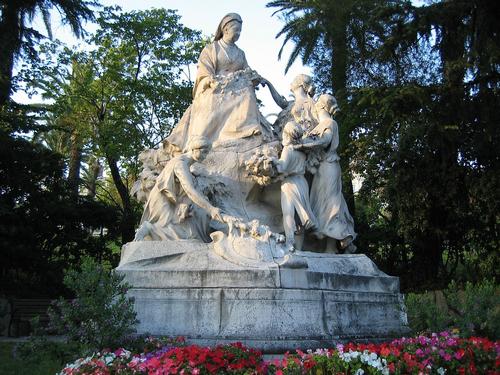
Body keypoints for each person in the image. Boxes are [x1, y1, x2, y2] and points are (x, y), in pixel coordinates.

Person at [166, 13, 273, 151]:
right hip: (215, 86)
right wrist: (209, 80)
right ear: (226, 29)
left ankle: (244, 131)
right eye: (236, 30)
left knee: (248, 94)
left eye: (240, 31)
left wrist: (254, 77)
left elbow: (247, 70)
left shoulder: (240, 53)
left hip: (237, 87)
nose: (239, 34)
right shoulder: (211, 49)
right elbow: (204, 70)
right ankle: (203, 140)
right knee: (211, 99)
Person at [295, 94, 356, 253]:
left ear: (320, 106)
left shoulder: (329, 123)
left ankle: (335, 243)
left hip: (329, 167)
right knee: (323, 205)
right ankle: (330, 247)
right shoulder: (320, 125)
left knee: (331, 206)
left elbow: (326, 140)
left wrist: (305, 144)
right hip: (321, 170)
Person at [134, 136, 223, 242]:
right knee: (168, 230)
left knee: (186, 231)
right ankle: (148, 229)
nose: (205, 156)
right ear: (194, 149)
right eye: (204, 152)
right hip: (163, 199)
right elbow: (189, 190)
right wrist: (211, 209)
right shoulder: (181, 164)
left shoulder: (186, 164)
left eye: (207, 153)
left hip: (169, 199)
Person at [275, 120, 317, 251]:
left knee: (289, 214)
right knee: (300, 218)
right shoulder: (302, 152)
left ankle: (290, 243)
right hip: (302, 183)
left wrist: (272, 160)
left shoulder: (288, 150)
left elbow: (282, 167)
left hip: (290, 183)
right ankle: (299, 248)